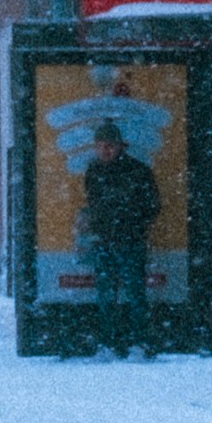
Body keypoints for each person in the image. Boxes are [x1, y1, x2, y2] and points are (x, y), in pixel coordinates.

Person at [76, 111, 156, 357]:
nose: (105, 150)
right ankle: (120, 343)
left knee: (129, 295)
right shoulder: (107, 171)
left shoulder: (134, 171)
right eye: (101, 146)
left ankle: (132, 343)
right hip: (109, 240)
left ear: (119, 146)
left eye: (109, 146)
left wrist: (131, 225)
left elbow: (152, 205)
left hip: (126, 240)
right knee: (109, 295)